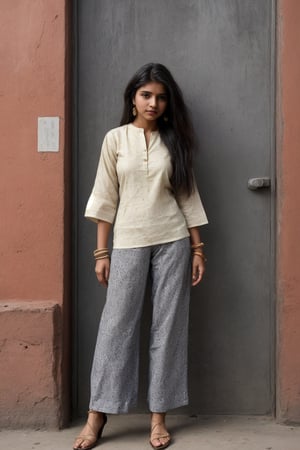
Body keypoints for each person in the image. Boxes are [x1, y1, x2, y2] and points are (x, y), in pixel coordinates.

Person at [73, 62, 208, 450]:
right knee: (116, 328)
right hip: (129, 240)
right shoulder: (115, 139)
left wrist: (197, 247)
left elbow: (188, 196)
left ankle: (158, 418)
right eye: (146, 95)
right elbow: (105, 196)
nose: (154, 103)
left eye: (161, 97)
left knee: (168, 329)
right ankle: (97, 416)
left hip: (173, 241)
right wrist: (102, 251)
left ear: (168, 103)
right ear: (133, 98)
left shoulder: (174, 142)